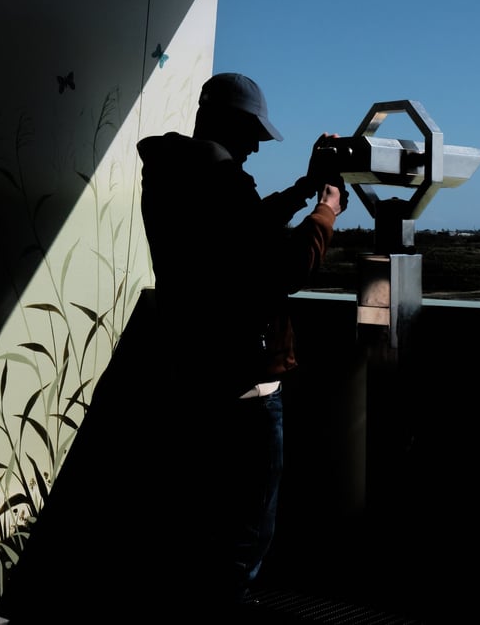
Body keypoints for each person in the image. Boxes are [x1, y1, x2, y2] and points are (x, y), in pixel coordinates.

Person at [136, 72, 347, 621]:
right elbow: (283, 267)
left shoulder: (174, 175)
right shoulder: (221, 182)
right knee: (245, 535)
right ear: (228, 123)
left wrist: (302, 190)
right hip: (244, 386)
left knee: (201, 528)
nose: (255, 147)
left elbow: (239, 234)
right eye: (252, 133)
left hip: (194, 373)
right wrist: (326, 211)